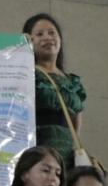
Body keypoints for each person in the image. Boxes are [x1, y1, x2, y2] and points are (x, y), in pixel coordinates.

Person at [23, 13, 86, 169]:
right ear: (29, 41)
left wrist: (75, 148)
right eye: (39, 34)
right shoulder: (25, 73)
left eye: (52, 33)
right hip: (37, 146)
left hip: (67, 152)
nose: (47, 38)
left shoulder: (71, 81)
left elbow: (75, 119)